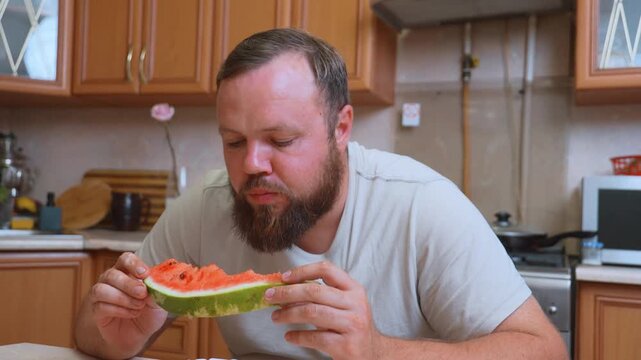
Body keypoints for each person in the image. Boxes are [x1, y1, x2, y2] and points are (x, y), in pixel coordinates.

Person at [74, 28, 568, 360]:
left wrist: (379, 348)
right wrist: (112, 335)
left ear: (341, 128)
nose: (251, 165)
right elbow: (88, 331)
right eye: (233, 142)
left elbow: (544, 350)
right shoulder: (207, 205)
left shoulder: (423, 206)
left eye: (282, 141)